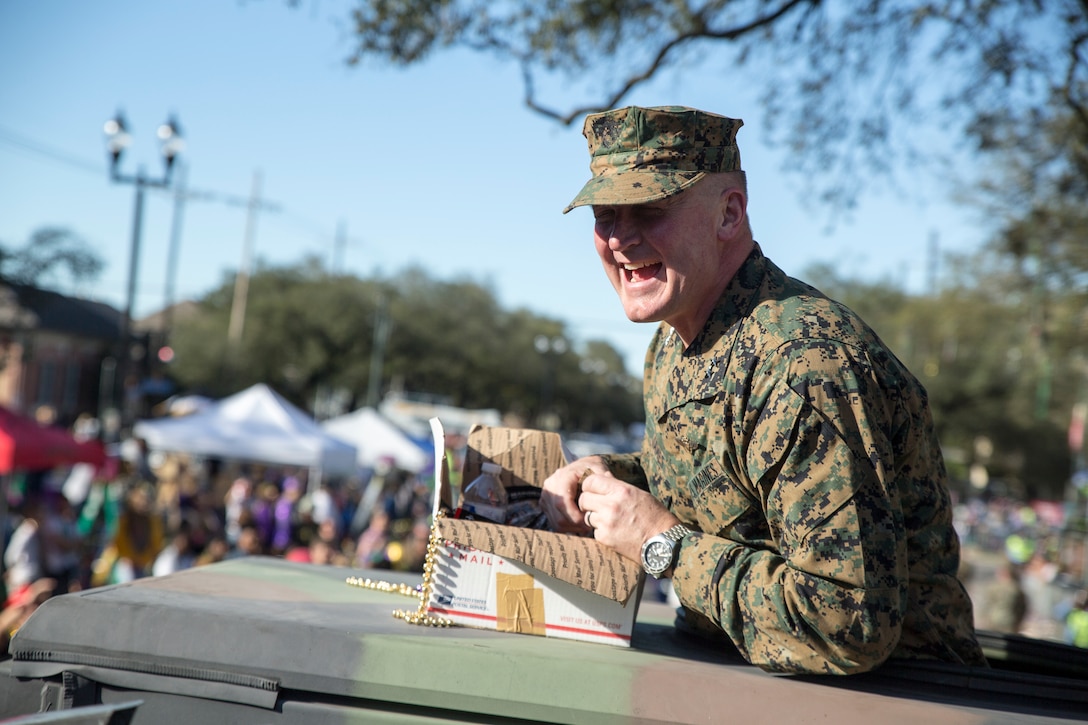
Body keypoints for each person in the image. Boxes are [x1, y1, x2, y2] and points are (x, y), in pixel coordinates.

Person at [542, 105, 986, 675]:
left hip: (899, 700)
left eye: (650, 209)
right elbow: (724, 487)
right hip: (742, 677)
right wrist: (609, 477)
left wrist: (665, 547)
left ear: (729, 213)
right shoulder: (675, 342)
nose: (621, 238)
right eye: (604, 213)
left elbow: (846, 624)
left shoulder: (803, 365)